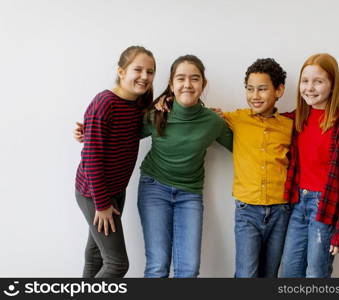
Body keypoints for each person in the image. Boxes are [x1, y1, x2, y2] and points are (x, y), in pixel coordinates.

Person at [157, 58, 293, 277]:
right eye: (250, 89)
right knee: (245, 274)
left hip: (281, 209)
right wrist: (167, 100)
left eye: (262, 89)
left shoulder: (289, 126)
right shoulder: (237, 118)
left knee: (270, 273)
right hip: (247, 211)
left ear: (279, 90)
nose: (255, 96)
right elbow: (201, 115)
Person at [137, 55, 232, 277]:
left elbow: (242, 148)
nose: (187, 84)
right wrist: (91, 129)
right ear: (172, 84)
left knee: (188, 269)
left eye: (194, 78)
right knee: (157, 266)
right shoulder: (157, 114)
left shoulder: (213, 122)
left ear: (203, 84)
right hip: (154, 188)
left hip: (189, 195)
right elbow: (122, 134)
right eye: (180, 78)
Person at [280, 53, 339, 278]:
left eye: (319, 81)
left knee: (316, 273)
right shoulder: (296, 119)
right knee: (289, 270)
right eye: (305, 81)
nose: (310, 87)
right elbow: (264, 122)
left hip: (324, 208)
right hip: (297, 204)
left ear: (332, 85)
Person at [74, 45, 156, 278]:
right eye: (137, 70)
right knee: (117, 264)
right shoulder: (105, 103)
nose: (144, 76)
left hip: (116, 191)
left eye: (150, 72)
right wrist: (101, 204)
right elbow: (92, 159)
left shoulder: (137, 106)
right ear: (121, 72)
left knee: (96, 256)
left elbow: (130, 133)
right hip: (95, 193)